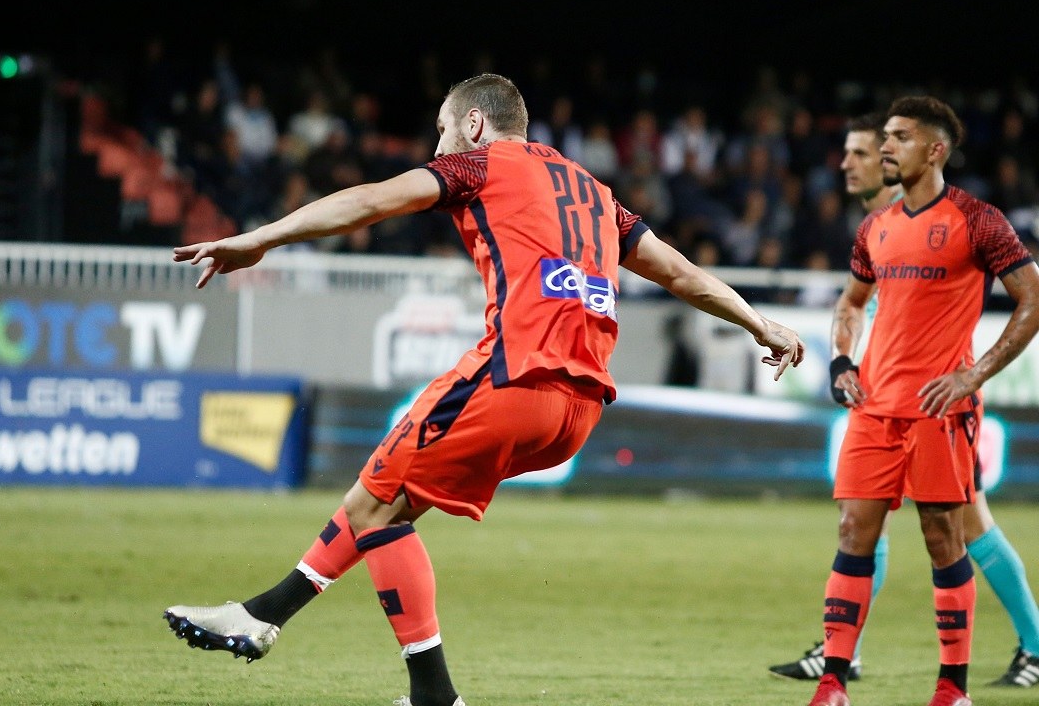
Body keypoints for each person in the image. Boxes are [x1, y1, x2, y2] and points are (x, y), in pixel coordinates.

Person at [161, 73, 806, 706]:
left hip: (511, 379)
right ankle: (262, 615)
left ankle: (432, 695)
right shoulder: (596, 193)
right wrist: (759, 323)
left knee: (376, 508)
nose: (438, 145)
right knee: (383, 500)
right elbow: (679, 272)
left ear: (473, 123)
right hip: (579, 410)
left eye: (442, 129)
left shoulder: (479, 165)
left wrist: (259, 239)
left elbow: (371, 201)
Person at [774, 113, 1039, 693]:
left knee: (954, 533)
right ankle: (837, 672)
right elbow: (851, 303)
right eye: (876, 142)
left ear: (934, 149)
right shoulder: (874, 227)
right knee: (856, 528)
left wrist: (973, 374)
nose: (861, 158)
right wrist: (842, 361)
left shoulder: (975, 219)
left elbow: (1032, 296)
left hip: (940, 410)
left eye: (889, 142)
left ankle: (971, 677)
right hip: (876, 404)